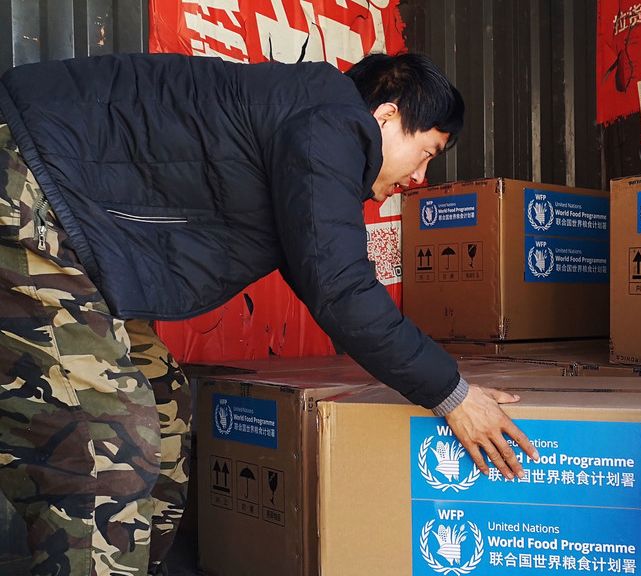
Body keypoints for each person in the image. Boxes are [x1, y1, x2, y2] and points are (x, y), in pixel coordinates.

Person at [0, 52, 537, 576]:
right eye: (426, 153)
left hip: (74, 226)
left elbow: (324, 275)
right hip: (27, 186)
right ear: (387, 115)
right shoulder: (331, 122)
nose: (419, 177)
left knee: (162, 401)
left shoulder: (311, 125)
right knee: (106, 441)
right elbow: (341, 289)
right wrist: (453, 395)